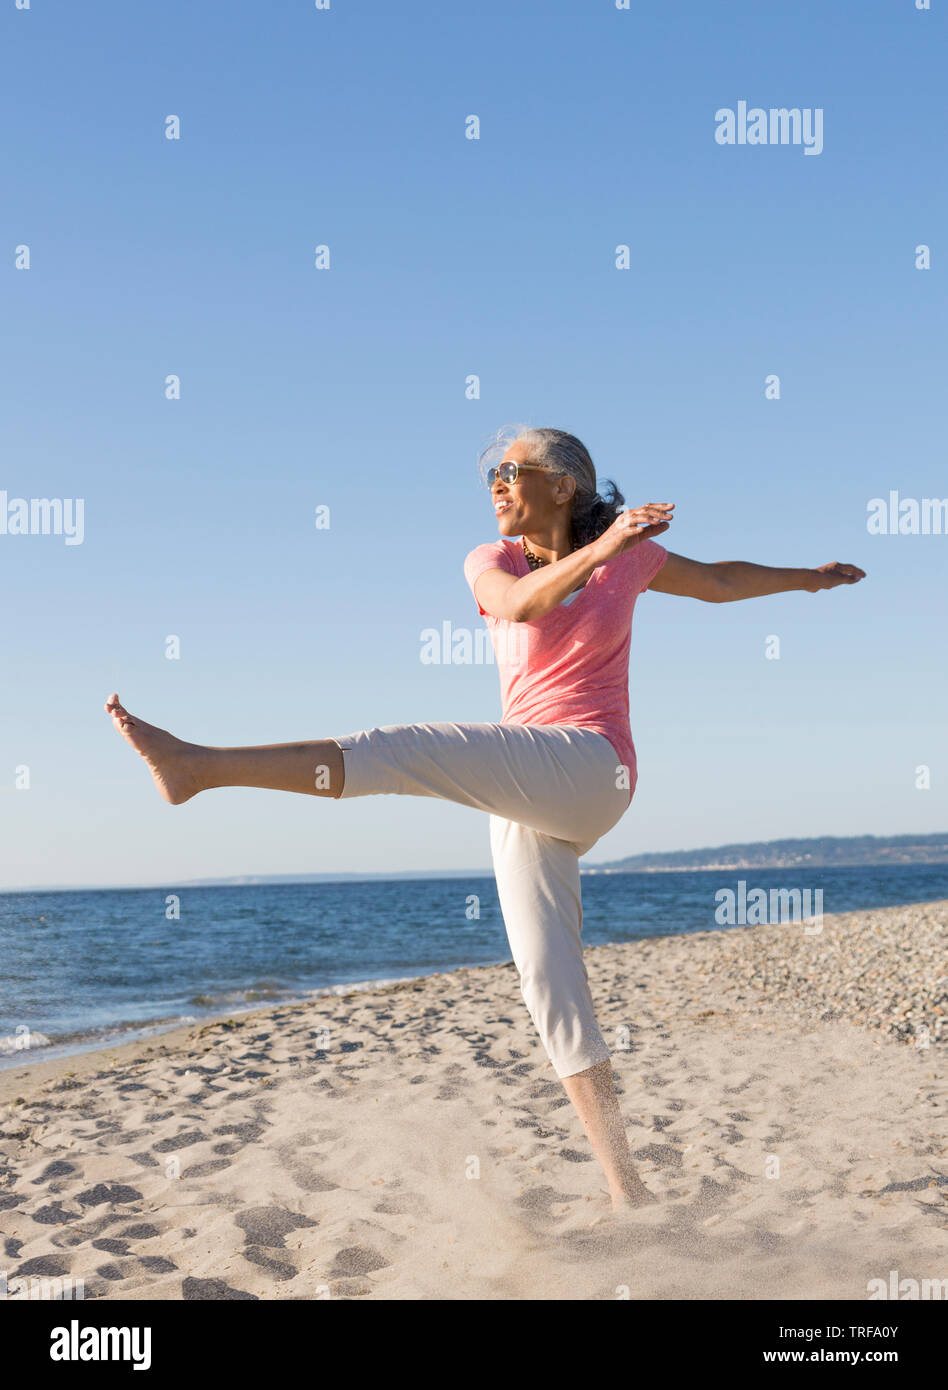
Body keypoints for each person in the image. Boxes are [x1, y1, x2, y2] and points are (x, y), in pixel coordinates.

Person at [104, 425, 865, 1211]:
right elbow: (523, 604)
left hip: (593, 764)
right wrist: (601, 552)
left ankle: (199, 769)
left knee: (401, 749)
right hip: (525, 782)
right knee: (551, 988)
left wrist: (808, 579)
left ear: (563, 484)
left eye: (512, 470)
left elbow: (721, 580)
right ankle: (629, 1192)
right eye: (491, 475)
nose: (496, 485)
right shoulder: (493, 560)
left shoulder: (628, 556)